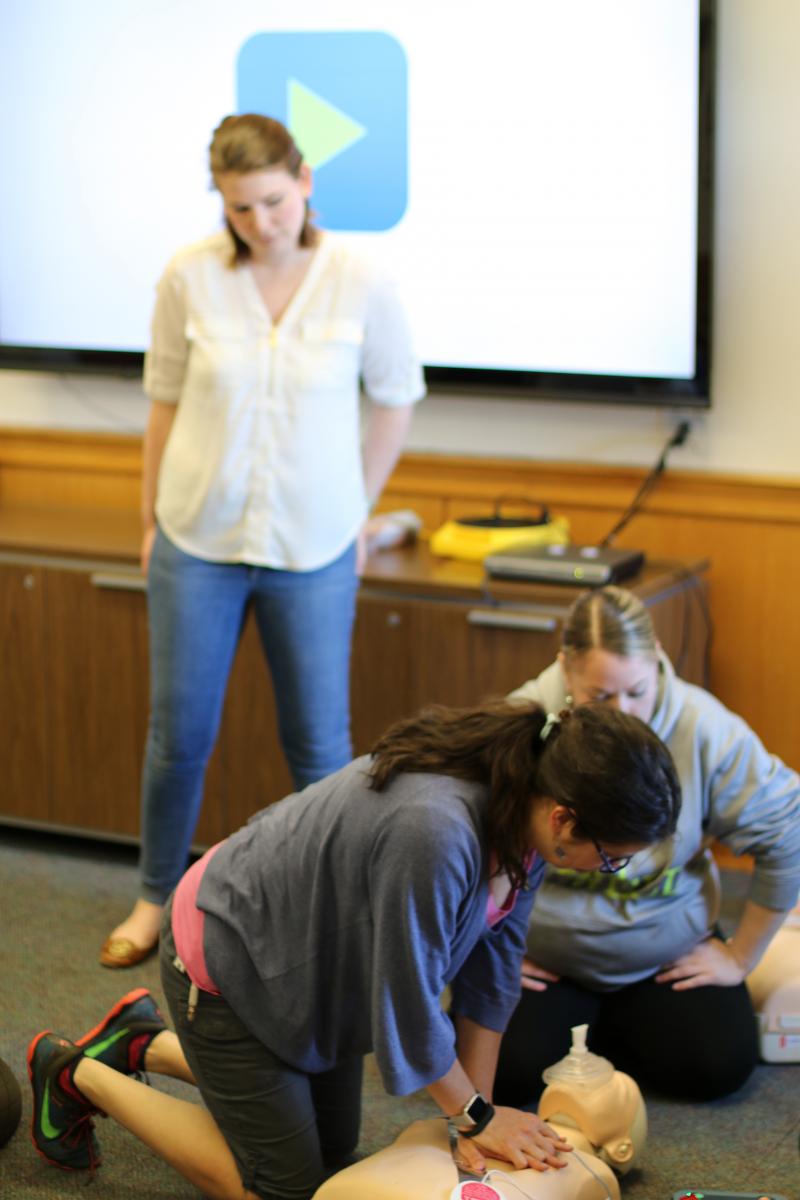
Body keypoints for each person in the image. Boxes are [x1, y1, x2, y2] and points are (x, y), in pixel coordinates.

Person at [31, 700, 680, 1199]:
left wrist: (471, 1124)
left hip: (308, 965)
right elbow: (408, 1006)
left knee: (338, 1154)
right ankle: (76, 1071)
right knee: (290, 1190)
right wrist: (481, 1115)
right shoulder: (436, 830)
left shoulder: (529, 819)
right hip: (231, 955)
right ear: (566, 817)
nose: (608, 872)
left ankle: (140, 1041)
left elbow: (492, 979)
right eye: (613, 859)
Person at [101, 113, 425, 968]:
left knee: (320, 745)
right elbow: (162, 402)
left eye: (273, 202)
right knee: (178, 735)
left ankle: (333, 914)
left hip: (314, 546)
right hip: (194, 536)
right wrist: (148, 518)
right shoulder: (188, 275)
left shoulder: (361, 277)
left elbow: (395, 396)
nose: (260, 223)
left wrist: (359, 506)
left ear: (306, 180)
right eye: (239, 208)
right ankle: (150, 897)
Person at [494, 585, 800, 1108]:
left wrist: (740, 957)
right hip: (546, 957)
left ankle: (603, 1035)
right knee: (510, 1076)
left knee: (715, 1068)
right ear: (566, 669)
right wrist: (488, 944)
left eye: (638, 691)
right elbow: (465, 846)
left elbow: (787, 832)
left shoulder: (706, 727)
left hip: (665, 954)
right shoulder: (521, 721)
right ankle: (597, 1032)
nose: (626, 712)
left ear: (657, 657)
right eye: (601, 696)